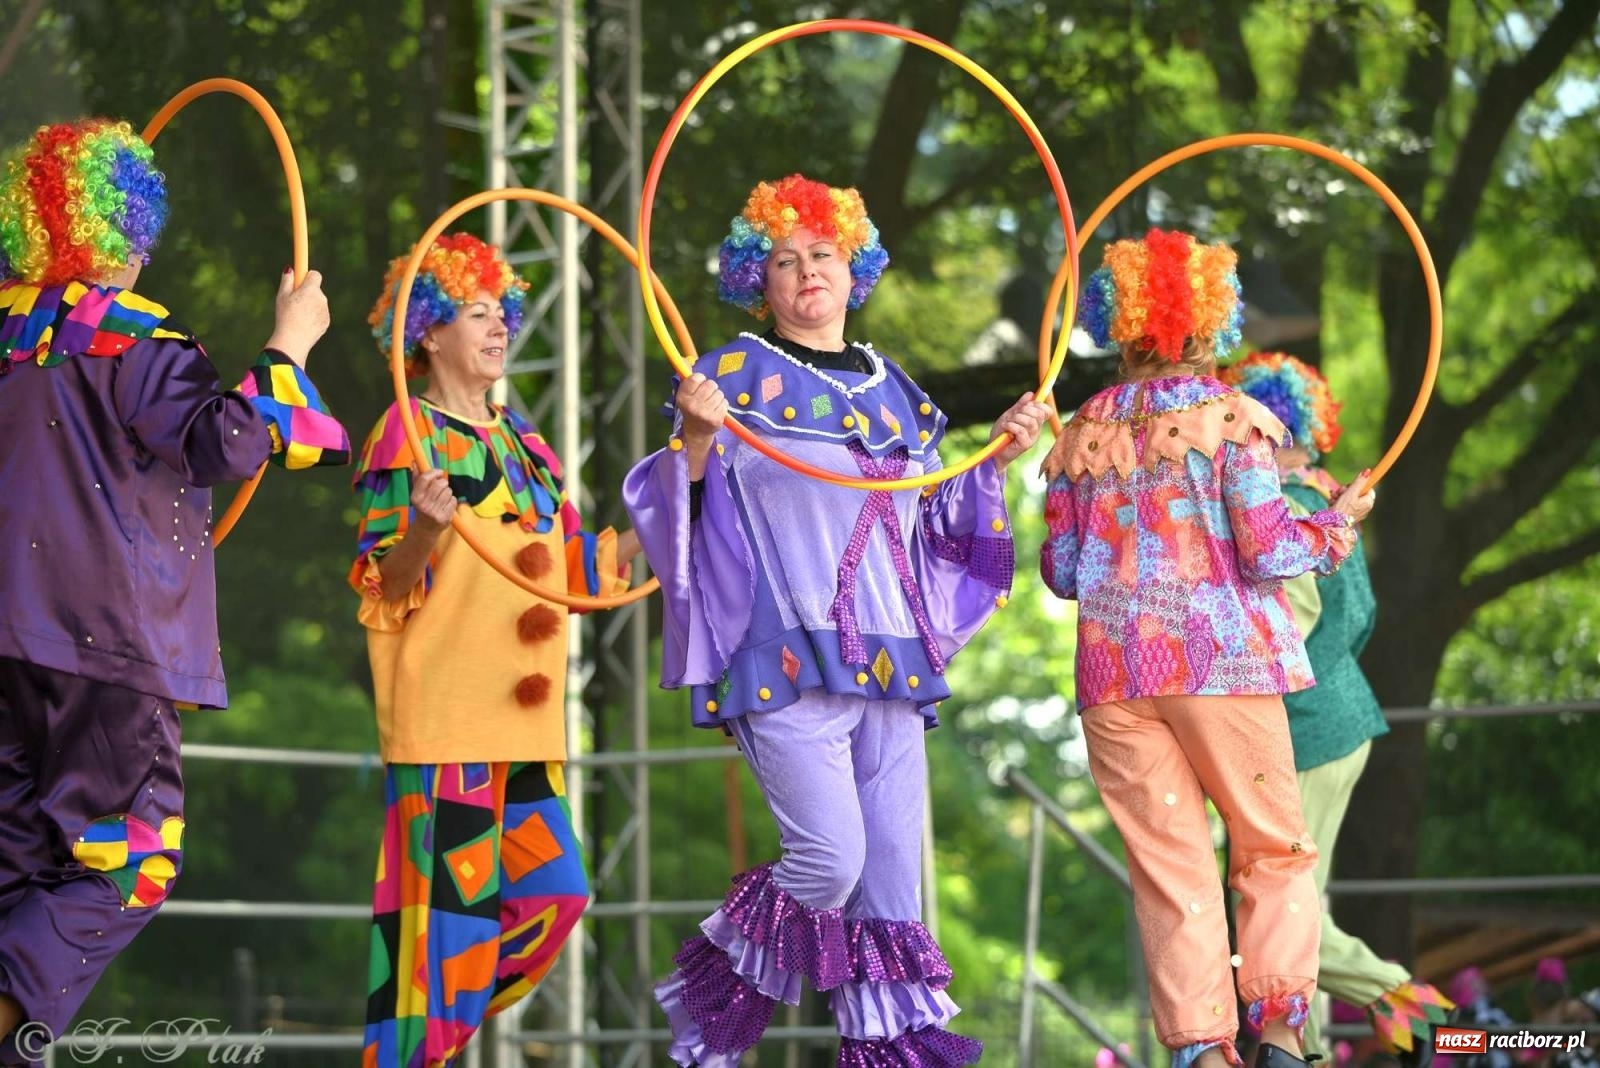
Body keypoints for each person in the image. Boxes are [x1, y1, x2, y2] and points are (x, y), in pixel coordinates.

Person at [624, 174, 1048, 1065]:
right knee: (829, 863)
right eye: (785, 259)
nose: (807, 270)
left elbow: (931, 520)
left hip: (891, 669)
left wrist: (999, 453)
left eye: (823, 253)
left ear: (856, 268)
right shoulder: (730, 375)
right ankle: (709, 1012)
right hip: (785, 657)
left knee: (893, 892)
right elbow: (675, 519)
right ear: (760, 281)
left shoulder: (898, 391)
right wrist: (696, 442)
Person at [0, 118, 349, 1062]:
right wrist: (291, 343)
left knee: (21, 875)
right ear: (131, 229)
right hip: (104, 644)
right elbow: (231, 440)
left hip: (8, 646)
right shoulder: (128, 335)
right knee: (132, 865)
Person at [1039, 228, 1375, 1068]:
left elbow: (1064, 571)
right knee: (1272, 847)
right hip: (1221, 665)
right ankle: (1281, 1037)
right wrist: (1334, 527)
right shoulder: (1232, 419)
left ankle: (1200, 1053)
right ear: (1209, 321)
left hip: (1115, 679)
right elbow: (1269, 549)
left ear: (1122, 321)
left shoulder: (1081, 430)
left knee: (1170, 868)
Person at [353, 232, 640, 1067]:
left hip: (523, 734)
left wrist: (687, 481)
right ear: (430, 333)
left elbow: (582, 574)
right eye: (474, 314)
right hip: (446, 723)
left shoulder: (528, 446)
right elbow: (380, 582)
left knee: (556, 898)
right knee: (444, 939)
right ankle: (413, 1052)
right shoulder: (405, 434)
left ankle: (421, 1047)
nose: (496, 328)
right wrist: (426, 531)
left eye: (500, 313)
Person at [1221, 351, 1454, 1065]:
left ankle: (1418, 1013)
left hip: (1310, 732)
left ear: (1271, 430)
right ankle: (1304, 1049)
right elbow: (1362, 617)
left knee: (1278, 911)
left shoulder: (1288, 511)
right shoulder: (1325, 504)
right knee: (1286, 906)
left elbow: (1283, 630)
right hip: (1339, 721)